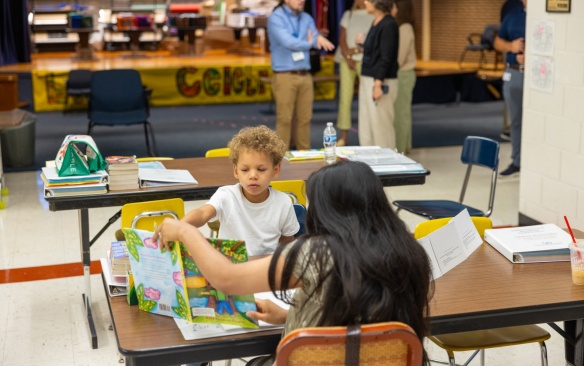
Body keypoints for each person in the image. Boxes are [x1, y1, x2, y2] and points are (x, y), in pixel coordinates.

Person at [154, 160, 434, 366]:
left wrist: (184, 231)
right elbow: (365, 328)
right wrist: (289, 317)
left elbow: (227, 279)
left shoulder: (316, 252)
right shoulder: (408, 249)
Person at [180, 125, 300, 257]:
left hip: (263, 271)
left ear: (275, 170)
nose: (253, 176)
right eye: (245, 170)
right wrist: (180, 226)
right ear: (236, 171)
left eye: (261, 169)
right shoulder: (226, 195)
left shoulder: (283, 203)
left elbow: (287, 245)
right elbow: (202, 213)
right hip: (230, 270)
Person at [267, 0, 335, 150]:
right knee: (284, 119)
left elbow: (315, 37)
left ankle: (304, 153)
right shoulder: (276, 18)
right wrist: (310, 43)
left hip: (305, 75)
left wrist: (318, 39)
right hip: (285, 75)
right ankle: (280, 156)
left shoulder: (306, 18)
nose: (302, 1)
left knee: (304, 119)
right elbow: (288, 42)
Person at [357, 0, 399, 148]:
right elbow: (375, 52)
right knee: (367, 126)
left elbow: (386, 57)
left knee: (381, 128)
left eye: (368, 0)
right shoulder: (376, 22)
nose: (365, 2)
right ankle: (368, 166)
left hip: (380, 81)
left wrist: (378, 84)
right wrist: (361, 44)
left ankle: (386, 165)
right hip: (368, 78)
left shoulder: (388, 24)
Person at [333, 0, 374, 147]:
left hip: (365, 59)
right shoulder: (348, 14)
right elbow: (342, 38)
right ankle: (343, 136)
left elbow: (373, 39)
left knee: (367, 96)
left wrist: (359, 53)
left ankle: (369, 134)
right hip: (347, 59)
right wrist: (347, 56)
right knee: (345, 97)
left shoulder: (373, 14)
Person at [494, 0, 526, 178]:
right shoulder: (513, 15)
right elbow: (498, 42)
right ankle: (517, 161)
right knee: (515, 120)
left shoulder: (547, 16)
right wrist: (511, 47)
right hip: (514, 74)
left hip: (539, 75)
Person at [392, 0, 416, 154]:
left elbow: (399, 58)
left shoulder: (405, 28)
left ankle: (400, 149)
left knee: (401, 114)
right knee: (402, 113)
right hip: (401, 74)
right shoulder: (400, 28)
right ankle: (405, 147)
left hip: (403, 74)